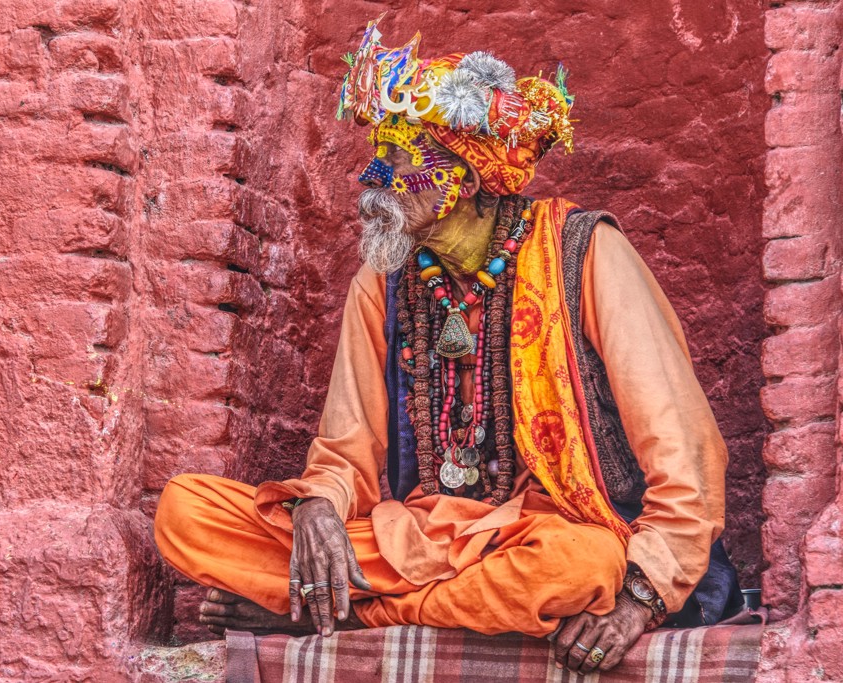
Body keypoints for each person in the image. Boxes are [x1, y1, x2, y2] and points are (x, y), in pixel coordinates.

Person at [154, 16, 741, 676]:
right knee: (186, 512)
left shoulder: (587, 253)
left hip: (548, 537)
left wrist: (640, 596)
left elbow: (686, 453)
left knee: (581, 566)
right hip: (415, 541)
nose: (373, 177)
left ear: (462, 177)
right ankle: (375, 598)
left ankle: (353, 613)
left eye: (398, 160)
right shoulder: (384, 278)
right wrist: (320, 502)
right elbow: (347, 450)